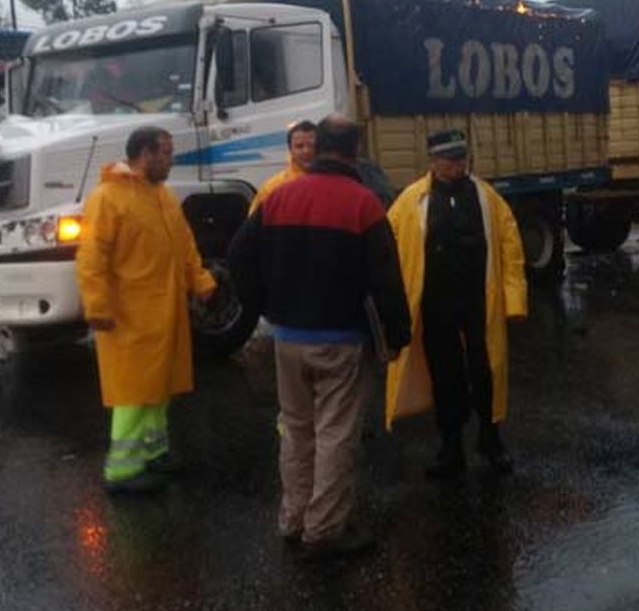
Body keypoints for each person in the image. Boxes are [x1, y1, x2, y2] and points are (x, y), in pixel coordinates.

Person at [227, 114, 411, 560]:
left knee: (296, 430)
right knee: (335, 433)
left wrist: (263, 306)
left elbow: (237, 256)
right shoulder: (364, 204)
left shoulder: (278, 198)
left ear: (319, 146)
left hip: (287, 336)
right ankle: (325, 529)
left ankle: (293, 519)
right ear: (353, 152)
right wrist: (398, 333)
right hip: (341, 338)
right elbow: (386, 280)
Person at [76, 126, 218, 495]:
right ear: (145, 154)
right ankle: (122, 471)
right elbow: (92, 257)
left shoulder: (163, 196)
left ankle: (154, 451)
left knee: (160, 386)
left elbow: (184, 245)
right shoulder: (108, 198)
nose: (171, 160)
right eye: (166, 153)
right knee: (133, 392)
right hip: (129, 315)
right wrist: (97, 306)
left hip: (163, 311)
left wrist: (201, 282)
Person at [384, 128, 527, 478]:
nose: (456, 166)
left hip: (479, 301)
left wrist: (514, 300)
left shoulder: (487, 197)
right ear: (432, 161)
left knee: (486, 370)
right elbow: (389, 251)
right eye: (449, 160)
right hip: (435, 306)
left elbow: (510, 247)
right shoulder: (409, 202)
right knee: (445, 375)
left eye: (461, 159)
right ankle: (451, 446)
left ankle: (491, 440)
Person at [248, 120, 319, 213]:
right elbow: (254, 223)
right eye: (299, 146)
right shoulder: (272, 187)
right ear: (290, 150)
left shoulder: (335, 181)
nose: (306, 151)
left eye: (311, 145)